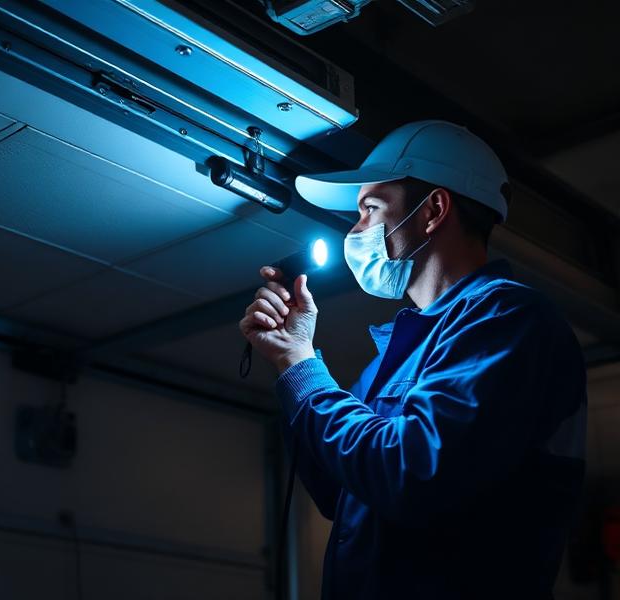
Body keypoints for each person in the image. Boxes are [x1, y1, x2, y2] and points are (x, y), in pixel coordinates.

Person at [239, 120, 587, 599]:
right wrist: (290, 360)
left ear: (433, 210)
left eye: (370, 209)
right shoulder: (394, 360)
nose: (356, 230)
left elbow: (412, 474)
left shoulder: (508, 318)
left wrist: (304, 371)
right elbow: (340, 493)